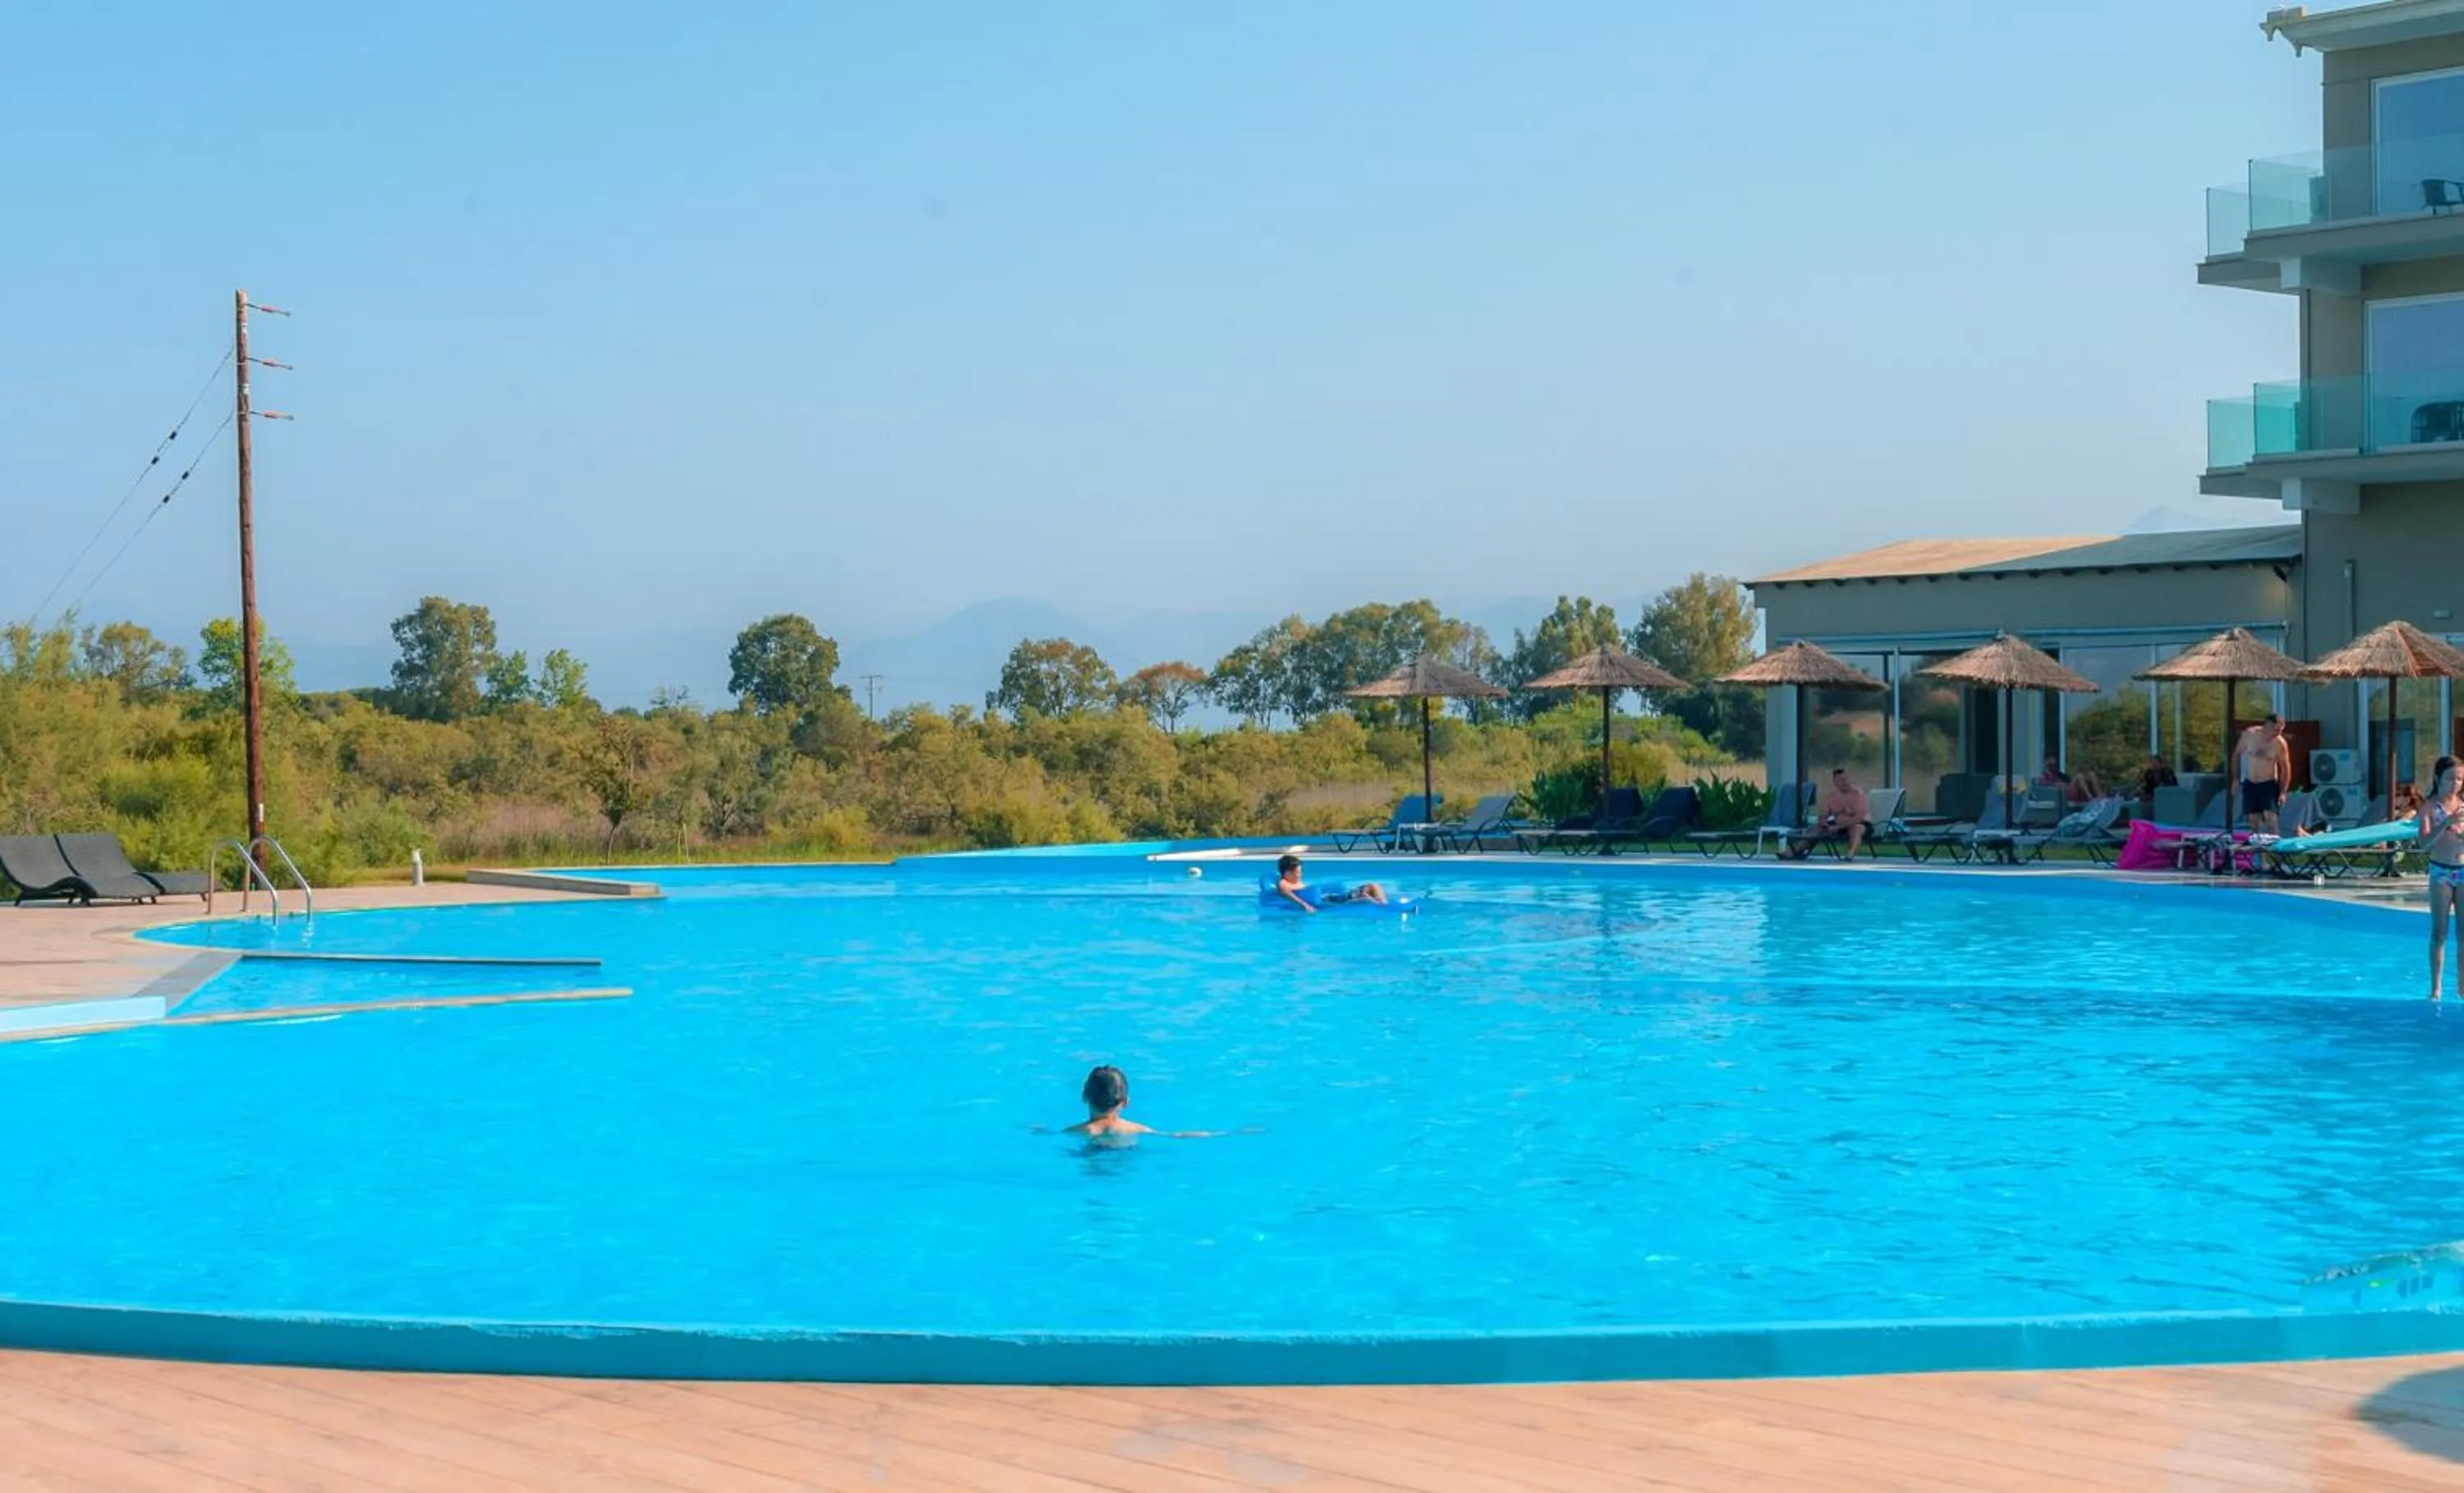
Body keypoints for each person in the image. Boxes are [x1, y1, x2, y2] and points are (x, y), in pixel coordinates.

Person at [1061, 1065, 1224, 1141]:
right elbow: (1175, 1136)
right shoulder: (1136, 1129)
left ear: (1084, 1097)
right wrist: (1211, 1134)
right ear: (1125, 1102)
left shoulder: (1078, 1132)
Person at [2419, 757, 2464, 1001]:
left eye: (2459, 779)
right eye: (2450, 779)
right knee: (2439, 933)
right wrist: (2446, 823)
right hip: (2441, 873)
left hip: (2463, 869)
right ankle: (2436, 988)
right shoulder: (2429, 808)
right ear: (2437, 779)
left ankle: (2462, 988)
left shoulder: (2463, 806)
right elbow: (2423, 842)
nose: (2455, 784)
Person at [1781, 767, 1869, 860]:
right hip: (1837, 825)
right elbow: (1824, 814)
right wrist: (1823, 822)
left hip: (1859, 824)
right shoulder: (1832, 797)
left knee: (1857, 829)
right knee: (1816, 829)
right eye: (1840, 780)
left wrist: (1838, 827)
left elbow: (1859, 817)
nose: (1844, 782)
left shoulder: (1858, 795)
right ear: (1835, 782)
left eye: (1845, 779)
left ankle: (1850, 854)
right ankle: (1794, 850)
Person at [2233, 713, 2292, 834]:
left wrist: (2283, 792)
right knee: (2254, 821)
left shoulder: (2279, 743)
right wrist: (2235, 779)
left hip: (2268, 783)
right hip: (2250, 782)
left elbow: (2285, 768)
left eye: (2281, 730)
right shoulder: (2250, 735)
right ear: (2268, 726)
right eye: (2276, 730)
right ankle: (2258, 850)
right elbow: (2236, 755)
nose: (2278, 734)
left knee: (2270, 817)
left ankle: (2277, 848)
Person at [1272, 853, 1385, 913]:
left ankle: (1384, 904)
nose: (1301, 874)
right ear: (1287, 874)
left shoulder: (1294, 881)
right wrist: (1305, 906)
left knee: (1373, 886)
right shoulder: (1283, 883)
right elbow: (1285, 892)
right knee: (1365, 898)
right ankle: (1378, 904)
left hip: (1330, 898)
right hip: (1328, 903)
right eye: (1298, 872)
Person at [2134, 755, 2178, 820]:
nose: (2154, 766)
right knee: (2142, 798)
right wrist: (2141, 789)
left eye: (2156, 764)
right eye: (2153, 764)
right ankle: (2145, 817)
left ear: (2161, 764)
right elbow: (2145, 784)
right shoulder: (2149, 773)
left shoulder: (2167, 772)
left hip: (2166, 794)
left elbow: (2173, 784)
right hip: (2152, 793)